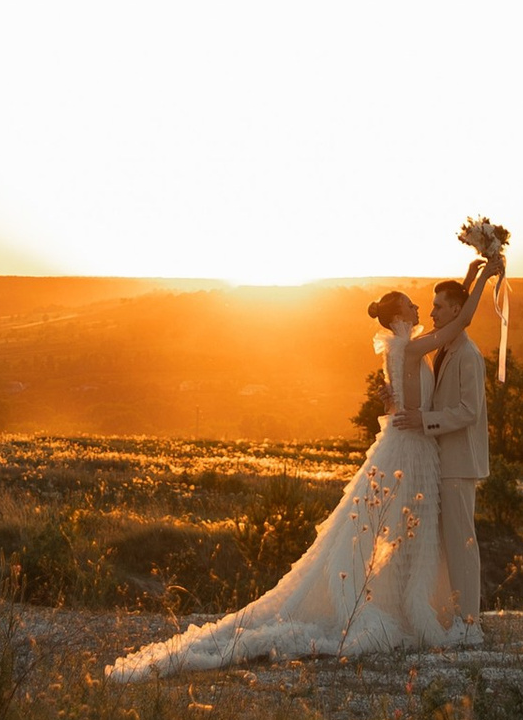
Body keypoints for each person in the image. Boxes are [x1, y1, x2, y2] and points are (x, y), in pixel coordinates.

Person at [103, 247, 502, 679]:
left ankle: (419, 608)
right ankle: (413, 611)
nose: (420, 305)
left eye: (426, 303)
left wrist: (467, 279)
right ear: (400, 316)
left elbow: (442, 333)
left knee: (406, 536)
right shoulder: (410, 349)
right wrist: (486, 278)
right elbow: (460, 320)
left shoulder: (401, 347)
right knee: (407, 536)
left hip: (412, 446)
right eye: (412, 303)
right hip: (414, 450)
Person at [421, 271, 495, 631]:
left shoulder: (469, 355)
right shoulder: (444, 348)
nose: (431, 313)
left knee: (462, 543)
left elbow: (469, 411)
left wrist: (426, 422)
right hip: (443, 462)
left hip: (459, 462)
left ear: (454, 311)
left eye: (438, 307)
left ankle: (469, 621)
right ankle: (448, 615)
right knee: (445, 544)